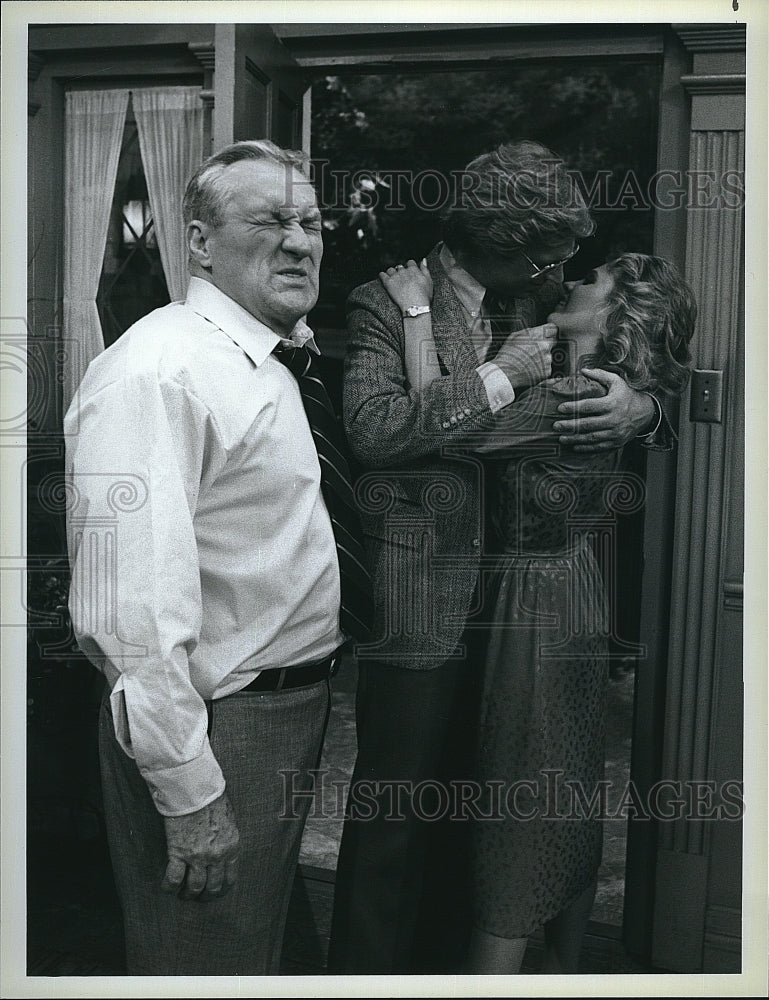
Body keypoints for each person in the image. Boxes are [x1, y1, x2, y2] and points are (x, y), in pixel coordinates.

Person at [327, 139, 670, 975]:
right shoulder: (384, 300)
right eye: (549, 252)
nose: (565, 268)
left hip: (530, 606)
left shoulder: (550, 298)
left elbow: (637, 348)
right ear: (503, 240)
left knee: (497, 806)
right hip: (425, 599)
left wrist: (642, 409)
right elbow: (376, 433)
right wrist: (497, 373)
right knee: (396, 816)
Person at [64, 139, 372, 975]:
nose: (301, 241)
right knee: (197, 969)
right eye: (270, 220)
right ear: (199, 242)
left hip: (287, 713)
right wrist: (191, 796)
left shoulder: (275, 357)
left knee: (251, 951)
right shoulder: (157, 373)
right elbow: (130, 620)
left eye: (309, 222)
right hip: (215, 729)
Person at [378, 252, 696, 974]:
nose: (576, 279)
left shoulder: (572, 396)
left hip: (532, 603)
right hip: (573, 588)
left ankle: (498, 971)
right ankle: (563, 964)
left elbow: (443, 424)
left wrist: (416, 312)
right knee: (565, 778)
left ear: (616, 316)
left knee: (517, 788)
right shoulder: (605, 387)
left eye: (595, 281)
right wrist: (644, 408)